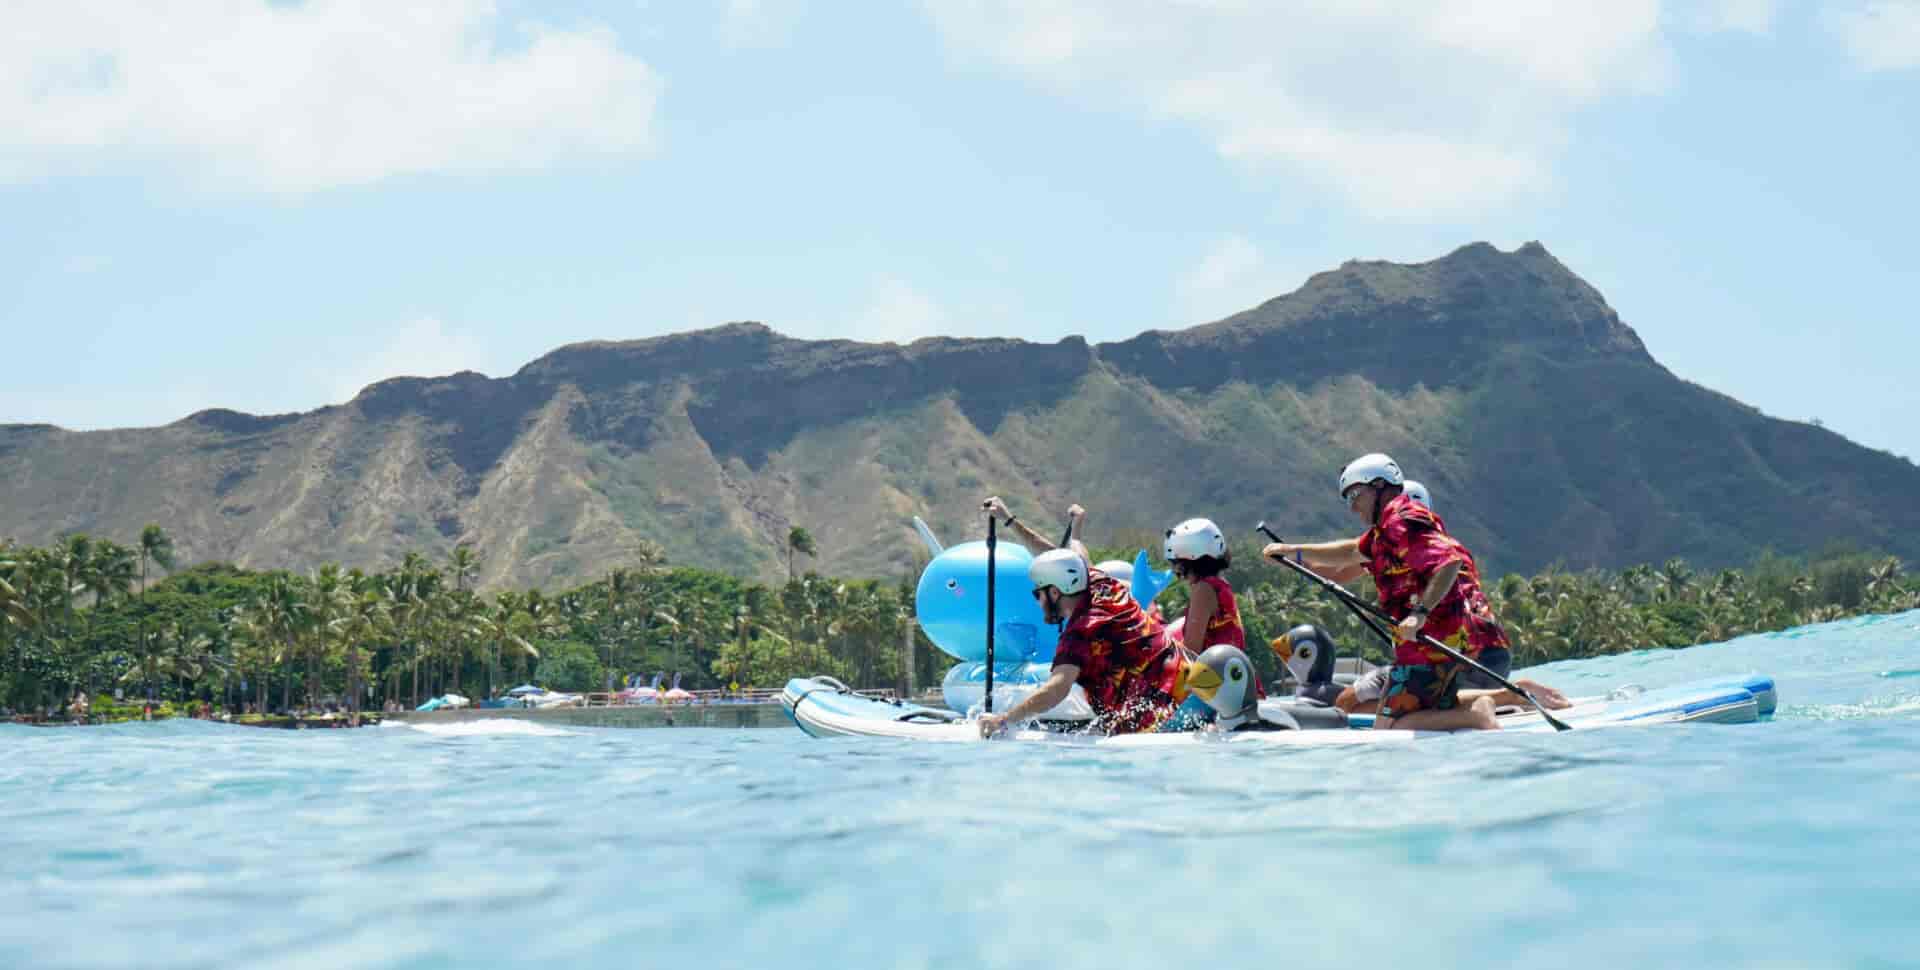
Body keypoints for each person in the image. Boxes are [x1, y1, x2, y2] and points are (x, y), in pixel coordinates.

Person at [1263, 453, 1511, 731]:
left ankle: (1475, 715)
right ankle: (1477, 709)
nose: (1352, 506)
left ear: (1379, 486)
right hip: (1434, 647)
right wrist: (1292, 552)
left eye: (1355, 494)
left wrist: (1419, 615)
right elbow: (1349, 552)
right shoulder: (1383, 533)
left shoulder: (1399, 519)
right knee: (1421, 715)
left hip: (1426, 649)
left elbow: (1448, 562)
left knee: (1388, 728)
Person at [978, 497, 1184, 736]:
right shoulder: (1101, 582)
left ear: (1055, 592)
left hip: (1166, 716)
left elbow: (1057, 689)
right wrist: (1011, 521)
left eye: (1038, 594)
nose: (1038, 601)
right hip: (1190, 688)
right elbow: (1065, 556)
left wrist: (1002, 720)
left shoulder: (1080, 633)